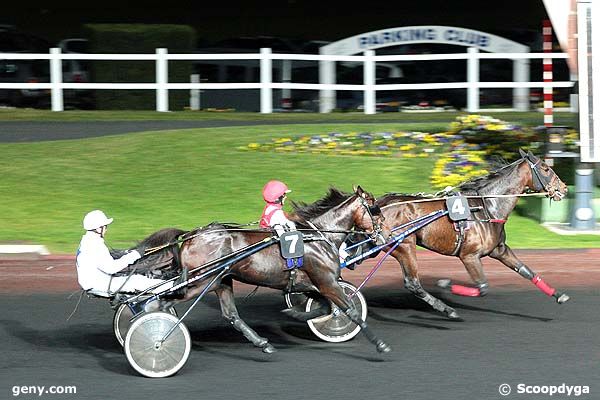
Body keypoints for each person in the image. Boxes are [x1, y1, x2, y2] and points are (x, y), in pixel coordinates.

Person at [76, 210, 172, 295]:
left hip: (95, 280)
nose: (106, 229)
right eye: (105, 226)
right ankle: (171, 286)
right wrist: (136, 254)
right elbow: (112, 268)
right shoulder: (95, 244)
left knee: (134, 278)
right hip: (100, 283)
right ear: (98, 229)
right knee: (138, 281)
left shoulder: (87, 241)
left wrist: (127, 253)